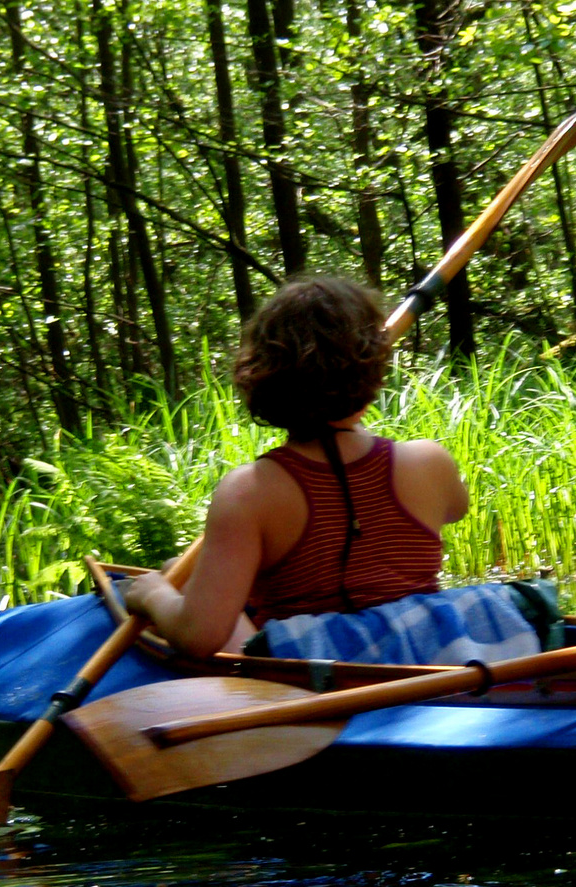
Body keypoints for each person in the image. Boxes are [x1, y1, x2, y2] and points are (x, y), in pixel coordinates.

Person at [124, 276, 469, 657]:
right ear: (373, 373)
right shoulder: (429, 461)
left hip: (313, 668)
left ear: (262, 378)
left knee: (180, 577)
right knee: (186, 568)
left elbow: (199, 636)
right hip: (422, 652)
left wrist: (155, 596)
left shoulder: (249, 491)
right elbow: (456, 508)